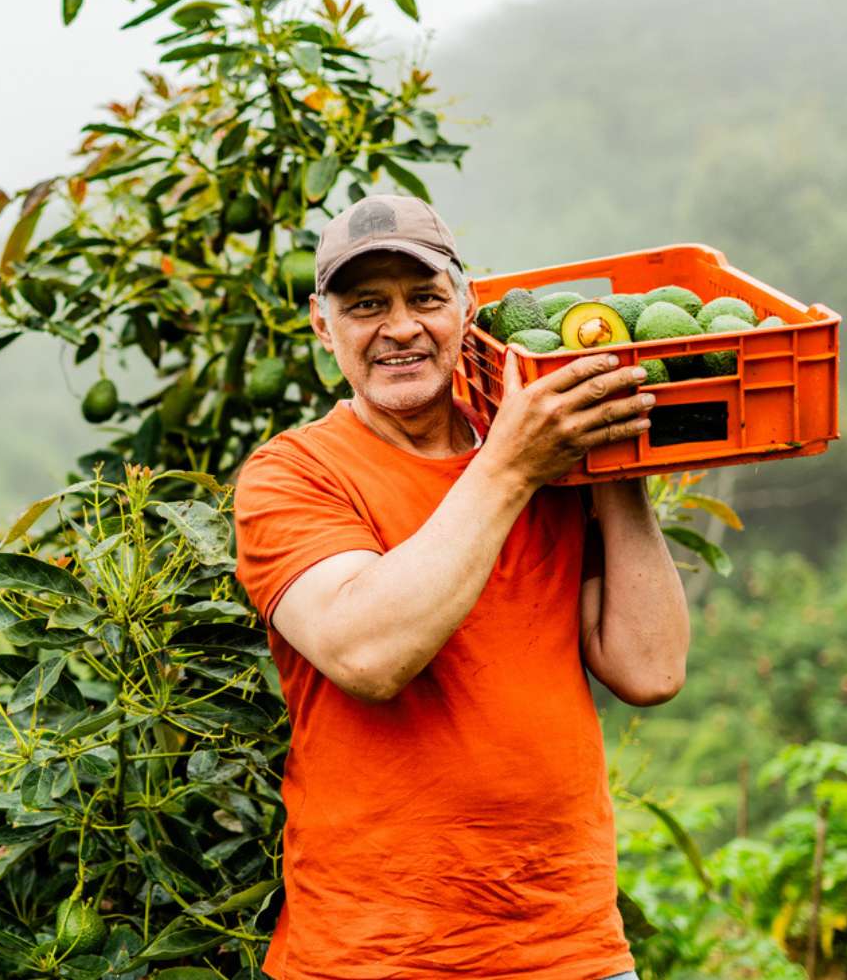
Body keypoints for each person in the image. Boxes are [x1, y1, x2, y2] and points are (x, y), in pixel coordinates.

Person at [232, 194, 690, 979]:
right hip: (372, 955)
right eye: (367, 305)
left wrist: (609, 462)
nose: (401, 327)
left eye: (426, 298)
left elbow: (649, 668)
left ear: (468, 304)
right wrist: (512, 465)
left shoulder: (543, 455)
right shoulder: (292, 475)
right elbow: (367, 653)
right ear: (321, 324)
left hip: (571, 946)